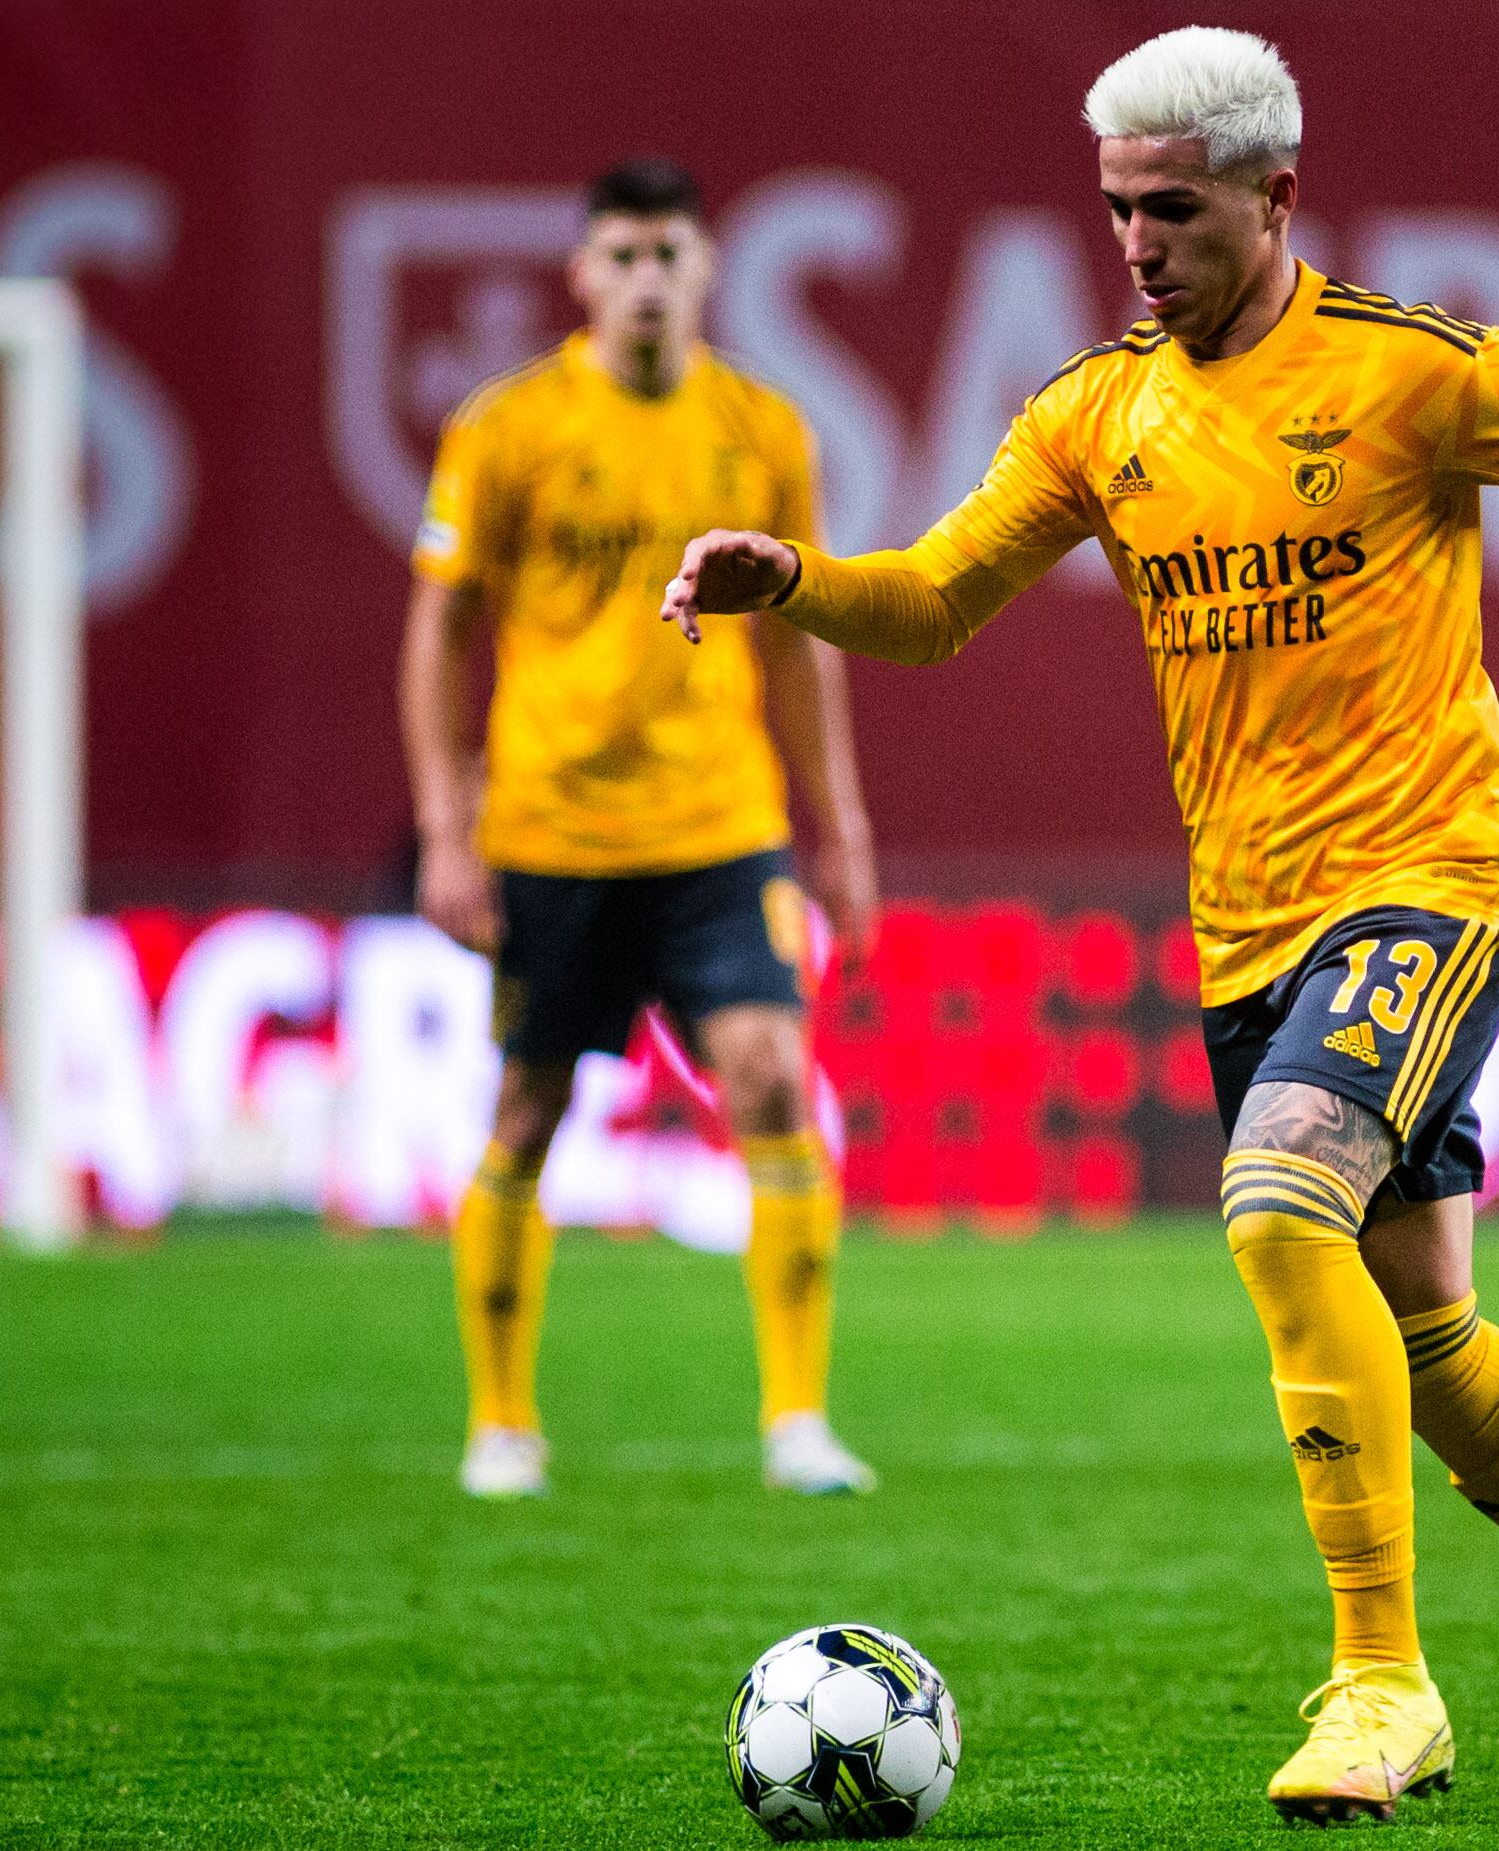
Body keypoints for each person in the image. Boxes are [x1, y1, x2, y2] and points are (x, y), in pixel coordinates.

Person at [661, 29, 1499, 1819]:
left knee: (1276, 1202)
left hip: (1433, 877)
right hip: (1252, 928)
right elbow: (938, 601)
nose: (1134, 245)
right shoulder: (1095, 412)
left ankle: (1377, 1681)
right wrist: (793, 580)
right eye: (1115, 210)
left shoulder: (1413, 374)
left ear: (1276, 197)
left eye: (1170, 210)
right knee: (1427, 1350)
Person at [400, 158, 881, 1501]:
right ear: (581, 274)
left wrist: (836, 825)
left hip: (720, 821)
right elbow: (439, 626)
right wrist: (448, 822)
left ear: (706, 270)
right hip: (551, 826)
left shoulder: (762, 427)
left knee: (774, 1076)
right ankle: (502, 1421)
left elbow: (801, 637)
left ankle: (796, 1418)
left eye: (669, 253)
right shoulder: (507, 427)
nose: (647, 279)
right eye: (622, 255)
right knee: (531, 1102)